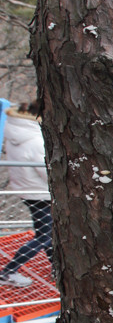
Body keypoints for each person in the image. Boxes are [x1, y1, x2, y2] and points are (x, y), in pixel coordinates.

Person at [0, 100, 51, 288]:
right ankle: (9, 271)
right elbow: (48, 174)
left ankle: (56, 267)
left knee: (45, 232)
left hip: (26, 191)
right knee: (46, 236)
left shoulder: (14, 133)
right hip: (40, 194)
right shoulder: (35, 141)